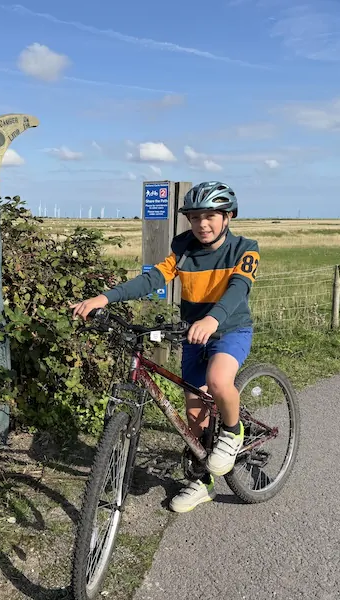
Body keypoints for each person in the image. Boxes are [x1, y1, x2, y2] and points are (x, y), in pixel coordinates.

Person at [71, 181, 259, 513]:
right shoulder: (184, 248)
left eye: (211, 216)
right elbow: (153, 278)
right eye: (195, 217)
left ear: (228, 216)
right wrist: (104, 297)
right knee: (195, 414)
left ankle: (233, 432)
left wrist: (213, 320)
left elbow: (237, 289)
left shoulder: (244, 248)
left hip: (229, 329)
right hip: (192, 333)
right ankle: (202, 482)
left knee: (217, 382)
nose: (202, 224)